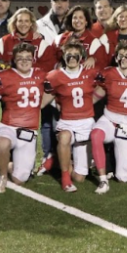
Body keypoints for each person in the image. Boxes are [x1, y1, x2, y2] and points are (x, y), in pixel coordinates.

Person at [89, 41, 127, 193]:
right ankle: (103, 180)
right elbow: (96, 96)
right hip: (109, 120)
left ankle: (118, 169)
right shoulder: (109, 73)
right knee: (96, 134)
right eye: (120, 55)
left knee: (123, 177)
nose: (123, 58)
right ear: (116, 58)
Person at [42, 40, 99, 192]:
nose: (72, 58)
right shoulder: (55, 76)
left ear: (81, 56)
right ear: (63, 56)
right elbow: (44, 99)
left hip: (86, 122)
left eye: (76, 55)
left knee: (79, 178)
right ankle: (65, 177)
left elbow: (105, 86)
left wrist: (93, 100)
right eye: (69, 55)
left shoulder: (91, 72)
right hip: (67, 122)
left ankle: (56, 159)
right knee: (65, 137)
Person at [0, 42, 45, 192]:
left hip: (29, 131)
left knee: (20, 179)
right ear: (14, 59)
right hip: (8, 126)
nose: (24, 61)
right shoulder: (5, 76)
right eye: (20, 58)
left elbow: (52, 92)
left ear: (33, 59)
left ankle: (8, 165)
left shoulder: (41, 75)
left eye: (28, 58)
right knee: (2, 143)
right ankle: (2, 177)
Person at [0, 8, 57, 72]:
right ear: (15, 23)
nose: (23, 24)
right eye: (20, 21)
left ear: (31, 23)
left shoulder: (42, 44)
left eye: (26, 21)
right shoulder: (2, 43)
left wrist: (28, 72)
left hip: (33, 82)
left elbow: (49, 67)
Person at [88, 3, 127, 69]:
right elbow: (98, 59)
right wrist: (93, 58)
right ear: (116, 20)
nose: (124, 19)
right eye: (121, 17)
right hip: (113, 76)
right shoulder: (105, 38)